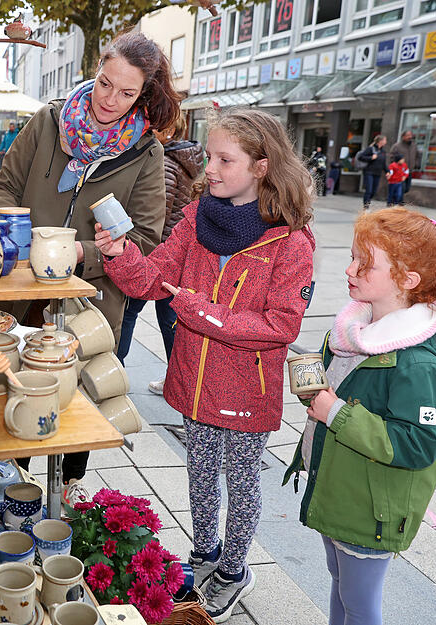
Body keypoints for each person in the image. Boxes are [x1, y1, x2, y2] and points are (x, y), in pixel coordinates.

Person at [94, 106, 315, 623]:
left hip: (245, 390)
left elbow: (281, 326)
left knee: (239, 485)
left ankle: (235, 569)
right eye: (209, 155)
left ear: (262, 166)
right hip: (193, 381)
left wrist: (199, 311)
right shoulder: (197, 219)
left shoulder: (290, 241)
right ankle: (204, 556)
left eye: (224, 159)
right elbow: (150, 280)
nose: (208, 168)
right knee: (198, 475)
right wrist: (120, 252)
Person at [0, 31, 179, 508]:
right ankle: (9, 491)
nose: (109, 100)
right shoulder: (50, 121)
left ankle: (64, 500)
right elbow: (3, 185)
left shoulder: (146, 153)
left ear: (144, 94)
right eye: (104, 82)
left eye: (126, 92)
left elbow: (146, 241)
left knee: (76, 403)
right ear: (96, 68)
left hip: (90, 302)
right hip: (22, 291)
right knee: (12, 389)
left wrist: (83, 254)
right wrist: (19, 233)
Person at [284, 208, 436, 625]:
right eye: (353, 256)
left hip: (371, 508)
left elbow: (417, 443)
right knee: (340, 582)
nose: (349, 269)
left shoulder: (419, 363)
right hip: (340, 490)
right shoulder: (354, 329)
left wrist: (334, 411)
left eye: (364, 264)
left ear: (408, 280)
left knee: (360, 603)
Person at [114, 114, 205, 394]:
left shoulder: (164, 161)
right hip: (183, 255)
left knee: (129, 313)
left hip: (161, 255)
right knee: (172, 322)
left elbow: (156, 216)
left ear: (167, 131)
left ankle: (115, 370)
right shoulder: (192, 159)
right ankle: (178, 379)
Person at [356, 135, 388, 210]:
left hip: (377, 173)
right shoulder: (370, 149)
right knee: (369, 190)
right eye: (385, 140)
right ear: (380, 141)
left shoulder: (383, 152)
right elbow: (360, 157)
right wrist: (371, 158)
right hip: (369, 172)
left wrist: (387, 171)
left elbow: (383, 163)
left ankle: (367, 203)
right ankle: (366, 207)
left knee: (373, 191)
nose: (386, 142)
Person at [389, 130, 419, 197]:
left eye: (410, 135)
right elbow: (391, 157)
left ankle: (396, 200)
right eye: (408, 135)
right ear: (403, 137)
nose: (410, 137)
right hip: (399, 171)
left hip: (409, 171)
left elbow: (417, 155)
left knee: (407, 189)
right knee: (402, 188)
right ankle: (397, 203)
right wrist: (396, 166)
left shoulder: (414, 146)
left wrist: (416, 164)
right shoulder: (397, 146)